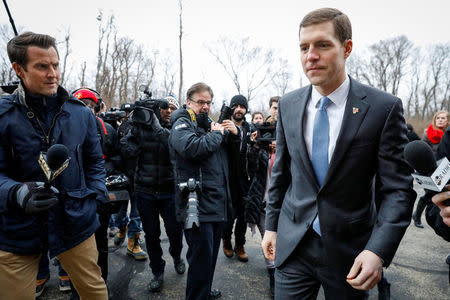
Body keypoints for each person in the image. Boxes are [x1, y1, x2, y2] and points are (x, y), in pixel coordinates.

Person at [261, 8, 416, 299]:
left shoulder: (382, 108)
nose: (311, 56)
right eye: (304, 47)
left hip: (351, 252)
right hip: (293, 246)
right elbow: (281, 173)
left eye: (322, 45)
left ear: (347, 48)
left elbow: (398, 190)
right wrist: (271, 226)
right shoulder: (288, 105)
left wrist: (377, 251)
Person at [0, 32, 108, 299]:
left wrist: (93, 198)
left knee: (95, 293)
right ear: (19, 69)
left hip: (76, 222)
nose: (52, 74)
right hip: (15, 230)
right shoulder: (2, 116)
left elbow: (95, 163)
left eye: (55, 65)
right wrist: (16, 193)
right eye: (42, 66)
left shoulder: (81, 113)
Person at [169, 82, 240, 300]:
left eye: (209, 102)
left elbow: (228, 152)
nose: (206, 106)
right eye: (201, 102)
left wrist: (234, 133)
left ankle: (205, 292)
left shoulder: (208, 124)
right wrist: (218, 134)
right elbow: (192, 148)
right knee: (200, 265)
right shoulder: (182, 123)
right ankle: (198, 295)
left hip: (216, 203)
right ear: (189, 102)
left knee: (209, 260)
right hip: (196, 206)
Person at [120, 95, 185, 293]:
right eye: (165, 107)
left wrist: (157, 128)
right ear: (157, 109)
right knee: (152, 235)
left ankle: (176, 255)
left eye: (172, 107)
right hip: (145, 190)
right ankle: (157, 271)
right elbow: (125, 146)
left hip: (169, 191)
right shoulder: (141, 126)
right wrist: (130, 139)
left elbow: (174, 146)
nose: (168, 111)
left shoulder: (177, 126)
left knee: (175, 231)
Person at [245, 116, 277, 296]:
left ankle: (283, 275)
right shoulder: (260, 150)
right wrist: (256, 145)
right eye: (267, 132)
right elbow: (251, 168)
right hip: (263, 203)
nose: (270, 137)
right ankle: (272, 276)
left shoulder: (287, 148)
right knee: (268, 240)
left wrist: (280, 150)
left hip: (284, 205)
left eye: (273, 132)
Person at [222, 95, 251, 262]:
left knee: (243, 215)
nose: (239, 109)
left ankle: (240, 244)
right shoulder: (223, 126)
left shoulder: (250, 128)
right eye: (236, 106)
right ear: (232, 108)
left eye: (242, 106)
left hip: (245, 179)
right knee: (228, 215)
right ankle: (226, 241)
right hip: (227, 178)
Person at [412, 111, 449, 228]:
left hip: (446, 169)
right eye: (438, 118)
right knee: (429, 195)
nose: (440, 120)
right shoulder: (428, 134)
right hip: (432, 170)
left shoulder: (448, 136)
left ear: (448, 121)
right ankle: (417, 216)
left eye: (443, 118)